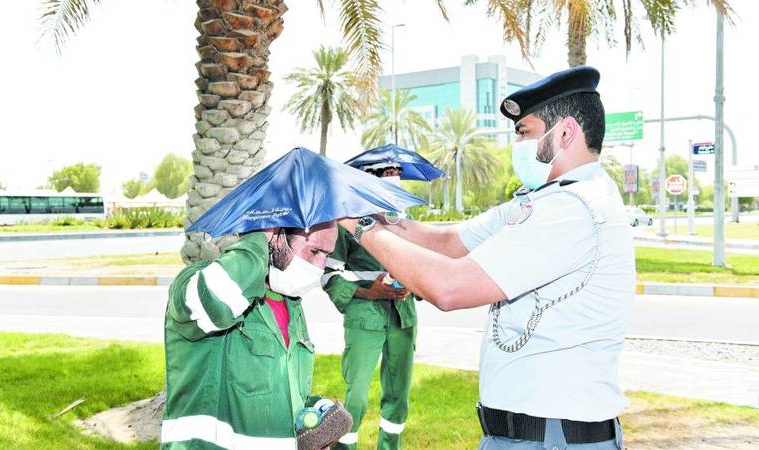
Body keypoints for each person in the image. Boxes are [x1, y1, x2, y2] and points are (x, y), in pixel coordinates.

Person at [338, 66, 634, 450]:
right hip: (529, 435)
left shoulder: (573, 209)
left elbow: (450, 288)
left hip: (552, 438)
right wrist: (370, 209)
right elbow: (448, 241)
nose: (517, 145)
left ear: (565, 132)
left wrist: (357, 224)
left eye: (524, 132)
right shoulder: (546, 200)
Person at [161, 223, 337, 450]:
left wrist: (313, 413)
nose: (320, 266)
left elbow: (271, 390)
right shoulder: (203, 282)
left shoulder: (291, 305)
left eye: (327, 255)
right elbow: (210, 302)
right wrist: (259, 237)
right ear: (277, 237)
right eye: (314, 251)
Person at [322, 163, 416, 450]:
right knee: (357, 396)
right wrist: (369, 292)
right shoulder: (349, 221)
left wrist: (413, 283)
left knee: (398, 395)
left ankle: (390, 447)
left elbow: (423, 265)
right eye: (387, 173)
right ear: (369, 178)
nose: (394, 178)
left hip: (403, 314)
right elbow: (328, 275)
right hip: (364, 314)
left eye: (396, 173)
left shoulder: (406, 221)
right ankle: (345, 446)